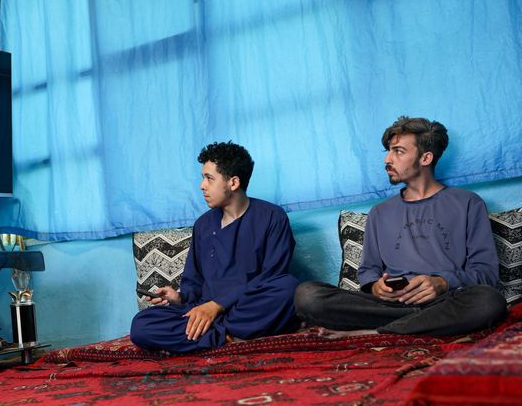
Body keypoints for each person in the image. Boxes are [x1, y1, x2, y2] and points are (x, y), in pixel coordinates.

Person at [294, 117, 507, 337]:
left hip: (443, 301)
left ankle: (375, 332)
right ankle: (412, 324)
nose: (388, 159)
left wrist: (442, 282)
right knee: (307, 296)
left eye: (398, 151)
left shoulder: (468, 203)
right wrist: (376, 287)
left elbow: (486, 272)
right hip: (389, 306)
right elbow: (368, 270)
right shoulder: (379, 212)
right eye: (389, 151)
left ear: (425, 158)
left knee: (488, 301)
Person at [130, 141, 299, 352]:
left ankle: (214, 335)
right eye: (203, 178)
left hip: (246, 306)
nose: (202, 186)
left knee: (288, 288)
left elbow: (273, 276)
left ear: (233, 182)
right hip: (205, 311)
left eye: (209, 178)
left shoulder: (272, 217)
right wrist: (179, 298)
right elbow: (194, 282)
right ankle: (231, 336)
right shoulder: (203, 225)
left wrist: (217, 306)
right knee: (141, 324)